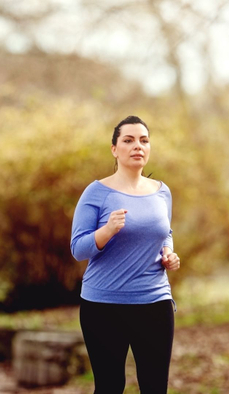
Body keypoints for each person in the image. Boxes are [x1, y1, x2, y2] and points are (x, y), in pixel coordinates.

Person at [70, 115, 180, 394]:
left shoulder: (162, 192)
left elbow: (164, 231)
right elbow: (78, 249)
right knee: (109, 386)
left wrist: (168, 252)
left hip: (154, 302)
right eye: (128, 140)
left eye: (144, 140)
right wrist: (106, 231)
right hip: (103, 306)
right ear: (114, 149)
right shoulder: (96, 193)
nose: (137, 146)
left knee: (155, 387)